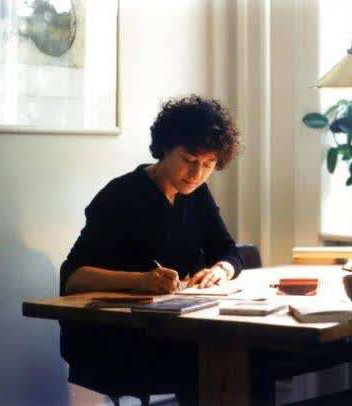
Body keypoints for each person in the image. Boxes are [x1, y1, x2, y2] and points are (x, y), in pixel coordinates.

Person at [59, 95, 242, 405]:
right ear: (165, 148)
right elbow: (73, 277)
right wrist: (140, 280)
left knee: (244, 359)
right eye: (189, 160)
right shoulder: (121, 195)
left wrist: (221, 269)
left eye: (208, 165)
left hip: (174, 327)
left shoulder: (196, 194)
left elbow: (228, 250)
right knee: (223, 362)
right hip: (119, 337)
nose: (197, 174)